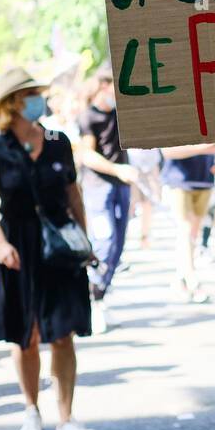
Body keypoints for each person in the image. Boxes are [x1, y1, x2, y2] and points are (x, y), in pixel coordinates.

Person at [0, 67, 97, 430]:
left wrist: (85, 240)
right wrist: (0, 242)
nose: (36, 100)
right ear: (12, 104)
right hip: (19, 247)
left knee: (63, 334)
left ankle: (67, 420)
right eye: (28, 94)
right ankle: (31, 410)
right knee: (25, 335)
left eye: (37, 93)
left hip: (59, 246)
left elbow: (73, 194)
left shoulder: (59, 141)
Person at [75, 67, 137, 330]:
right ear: (103, 86)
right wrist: (116, 170)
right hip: (99, 187)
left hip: (121, 187)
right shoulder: (88, 117)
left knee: (118, 244)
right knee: (105, 241)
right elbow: (87, 155)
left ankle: (101, 295)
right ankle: (93, 297)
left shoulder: (120, 114)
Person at [161, 144, 215, 303]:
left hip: (205, 178)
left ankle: (180, 279)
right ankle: (192, 279)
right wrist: (203, 148)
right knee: (184, 229)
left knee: (193, 233)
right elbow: (167, 151)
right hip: (178, 180)